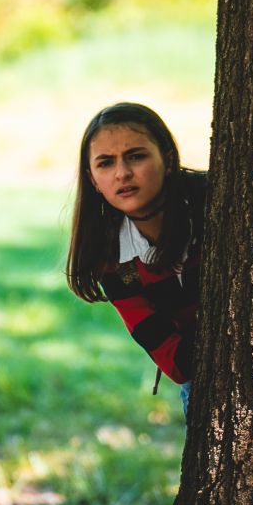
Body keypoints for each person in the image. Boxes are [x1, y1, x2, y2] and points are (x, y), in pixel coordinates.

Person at [66, 103, 206, 417]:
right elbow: (174, 361)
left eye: (136, 156)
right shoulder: (111, 259)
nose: (122, 173)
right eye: (105, 163)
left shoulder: (214, 203)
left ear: (167, 159)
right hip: (204, 380)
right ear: (92, 179)